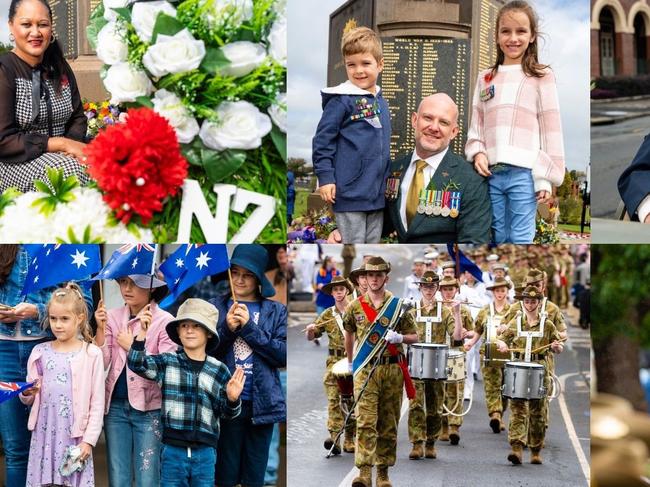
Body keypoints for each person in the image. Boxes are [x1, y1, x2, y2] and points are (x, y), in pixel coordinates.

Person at [466, 0, 565, 243]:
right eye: (506, 31)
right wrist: (478, 152)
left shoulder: (541, 76)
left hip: (524, 173)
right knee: (498, 234)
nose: (513, 38)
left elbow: (550, 130)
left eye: (521, 31)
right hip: (491, 174)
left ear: (532, 36)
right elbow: (476, 125)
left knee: (521, 237)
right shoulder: (485, 78)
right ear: (497, 36)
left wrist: (544, 177)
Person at [0, 245, 92, 486]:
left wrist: (38, 311)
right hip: (3, 352)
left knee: (52, 444)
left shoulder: (66, 242)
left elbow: (86, 306)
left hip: (49, 352)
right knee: (15, 449)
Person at [127, 298, 244, 486]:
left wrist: (232, 399)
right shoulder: (167, 361)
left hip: (206, 453)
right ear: (178, 333)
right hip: (173, 450)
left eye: (196, 326)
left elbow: (227, 413)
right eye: (184, 325)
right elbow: (136, 363)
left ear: (208, 334)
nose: (189, 330)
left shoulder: (219, 370)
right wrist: (142, 334)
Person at [209, 245, 287, 487]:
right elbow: (206, 354)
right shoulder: (216, 307)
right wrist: (227, 330)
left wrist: (250, 329)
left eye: (248, 274)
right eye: (235, 273)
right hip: (226, 401)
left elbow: (282, 356)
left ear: (259, 278)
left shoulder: (275, 311)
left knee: (255, 474)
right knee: (226, 473)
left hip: (263, 402)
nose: (240, 280)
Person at [94, 275, 176, 487]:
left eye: (135, 283)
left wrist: (134, 346)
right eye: (123, 282)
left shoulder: (165, 321)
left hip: (150, 408)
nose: (127, 288)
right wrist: (101, 329)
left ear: (151, 287)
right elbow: (102, 362)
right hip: (115, 407)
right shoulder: (112, 316)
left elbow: (166, 369)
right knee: (117, 474)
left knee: (147, 477)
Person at [342, 256, 418, 487]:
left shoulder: (398, 306)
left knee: (388, 422)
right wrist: (350, 362)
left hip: (392, 368)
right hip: (366, 369)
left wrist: (400, 337)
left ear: (386, 277)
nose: (373, 279)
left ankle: (383, 473)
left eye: (378, 275)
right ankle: (364, 471)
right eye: (369, 275)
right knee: (365, 421)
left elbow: (415, 336)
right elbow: (349, 333)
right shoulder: (355, 306)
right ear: (364, 278)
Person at [0, 0, 90, 192]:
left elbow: (78, 117)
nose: (35, 32)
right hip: (16, 161)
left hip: (65, 154)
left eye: (42, 24)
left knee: (117, 154)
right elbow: (3, 139)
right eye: (26, 24)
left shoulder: (60, 66)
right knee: (70, 171)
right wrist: (61, 144)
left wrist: (72, 145)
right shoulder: (5, 70)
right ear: (11, 26)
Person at [312, 26, 391, 243]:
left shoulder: (382, 102)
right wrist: (325, 177)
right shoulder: (341, 99)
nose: (359, 71)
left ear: (380, 64)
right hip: (350, 193)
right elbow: (322, 141)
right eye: (351, 65)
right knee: (353, 248)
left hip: (376, 197)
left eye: (366, 63)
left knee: (371, 247)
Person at [21, 284, 104, 487]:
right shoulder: (40, 352)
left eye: (64, 319)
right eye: (53, 318)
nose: (58, 325)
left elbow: (98, 403)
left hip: (75, 436)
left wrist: (88, 441)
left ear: (80, 318)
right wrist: (27, 393)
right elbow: (29, 396)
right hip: (45, 433)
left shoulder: (91, 354)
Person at [383, 93, 491, 243]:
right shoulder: (394, 170)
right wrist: (338, 230)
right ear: (415, 120)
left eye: (444, 123)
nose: (434, 127)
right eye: (428, 118)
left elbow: (474, 242)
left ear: (454, 132)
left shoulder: (471, 179)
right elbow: (377, 221)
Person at [496, 286, 564, 464]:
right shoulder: (516, 322)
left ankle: (535, 449)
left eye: (533, 301)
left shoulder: (547, 324)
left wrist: (557, 347)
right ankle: (516, 448)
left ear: (539, 303)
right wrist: (502, 344)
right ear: (522, 302)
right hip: (519, 367)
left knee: (537, 412)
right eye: (527, 301)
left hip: (540, 369)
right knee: (517, 409)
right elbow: (502, 339)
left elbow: (558, 345)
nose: (530, 304)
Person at [403, 271, 462, 460]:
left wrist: (458, 313)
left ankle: (431, 442)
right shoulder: (411, 310)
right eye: (425, 286)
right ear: (420, 287)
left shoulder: (445, 311)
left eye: (432, 287)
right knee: (416, 406)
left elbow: (457, 337)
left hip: (437, 367)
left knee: (435, 408)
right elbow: (401, 334)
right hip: (415, 366)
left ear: (437, 288)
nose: (429, 290)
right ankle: (417, 443)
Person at [305, 275, 356, 455]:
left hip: (353, 360)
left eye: (341, 289)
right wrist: (311, 330)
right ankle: (335, 438)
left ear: (347, 290)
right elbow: (312, 336)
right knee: (334, 400)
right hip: (333, 363)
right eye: (335, 290)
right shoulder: (328, 314)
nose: (338, 293)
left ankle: (350, 437)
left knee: (351, 401)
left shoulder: (357, 310)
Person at [464, 277, 512, 433]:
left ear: (507, 291)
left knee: (505, 387)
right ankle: (495, 414)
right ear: (493, 292)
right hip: (488, 353)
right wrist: (471, 342)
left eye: (503, 291)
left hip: (508, 354)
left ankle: (501, 413)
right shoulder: (485, 310)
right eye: (497, 291)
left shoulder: (514, 311)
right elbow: (478, 330)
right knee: (492, 385)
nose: (500, 294)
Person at [437, 276, 474, 444]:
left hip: (457, 351)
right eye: (445, 289)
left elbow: (474, 332)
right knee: (440, 390)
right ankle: (443, 426)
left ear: (457, 290)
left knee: (456, 390)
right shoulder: (436, 308)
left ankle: (454, 427)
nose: (448, 292)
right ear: (440, 291)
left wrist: (468, 333)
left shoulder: (464, 310)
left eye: (451, 289)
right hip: (440, 353)